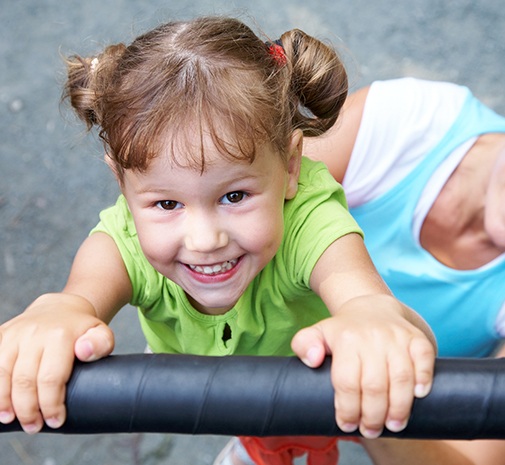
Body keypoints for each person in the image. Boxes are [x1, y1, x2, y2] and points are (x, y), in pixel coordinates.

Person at [0, 16, 437, 465]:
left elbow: (361, 294)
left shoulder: (309, 219)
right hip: (242, 401)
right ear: (122, 184)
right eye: (167, 204)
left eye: (234, 195)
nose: (205, 239)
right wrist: (55, 313)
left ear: (290, 167)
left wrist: (371, 316)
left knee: (397, 405)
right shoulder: (124, 239)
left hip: (330, 384)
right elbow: (77, 300)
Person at [304, 76, 505, 465]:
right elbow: (235, 199)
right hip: (232, 320)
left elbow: (474, 461)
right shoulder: (410, 121)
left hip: (338, 417)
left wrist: (372, 399)